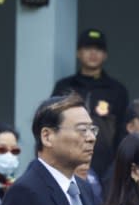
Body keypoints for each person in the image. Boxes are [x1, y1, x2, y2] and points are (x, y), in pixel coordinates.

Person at [52, 29, 129, 179]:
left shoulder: (117, 90)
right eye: (88, 48)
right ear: (78, 53)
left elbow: (122, 132)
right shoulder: (64, 87)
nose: (93, 53)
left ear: (105, 55)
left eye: (98, 49)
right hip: (67, 162)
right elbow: (51, 122)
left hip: (105, 168)